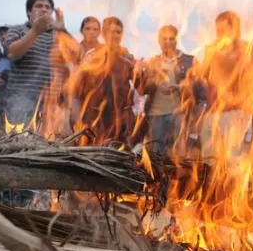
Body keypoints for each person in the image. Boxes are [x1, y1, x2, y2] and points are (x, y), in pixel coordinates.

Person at [2, 0, 71, 127]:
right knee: (21, 145)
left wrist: (63, 30)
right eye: (39, 6)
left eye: (48, 7)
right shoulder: (18, 30)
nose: (44, 9)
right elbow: (12, 54)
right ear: (29, 12)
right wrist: (35, 31)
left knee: (53, 146)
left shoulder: (59, 35)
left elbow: (78, 57)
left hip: (52, 106)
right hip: (21, 104)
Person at [134, 25, 195, 155]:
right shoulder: (153, 61)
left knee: (178, 154)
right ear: (159, 41)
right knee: (155, 153)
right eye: (164, 39)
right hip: (156, 113)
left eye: (171, 39)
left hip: (179, 112)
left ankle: (176, 175)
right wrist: (141, 74)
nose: (167, 42)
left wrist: (182, 86)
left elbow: (199, 89)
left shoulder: (189, 61)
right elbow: (143, 90)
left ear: (176, 40)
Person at [74, 16, 136, 144]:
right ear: (103, 34)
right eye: (109, 31)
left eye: (117, 32)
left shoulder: (128, 58)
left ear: (122, 34)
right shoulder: (92, 56)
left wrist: (143, 71)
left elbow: (140, 88)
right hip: (94, 117)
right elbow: (78, 90)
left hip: (119, 118)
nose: (113, 35)